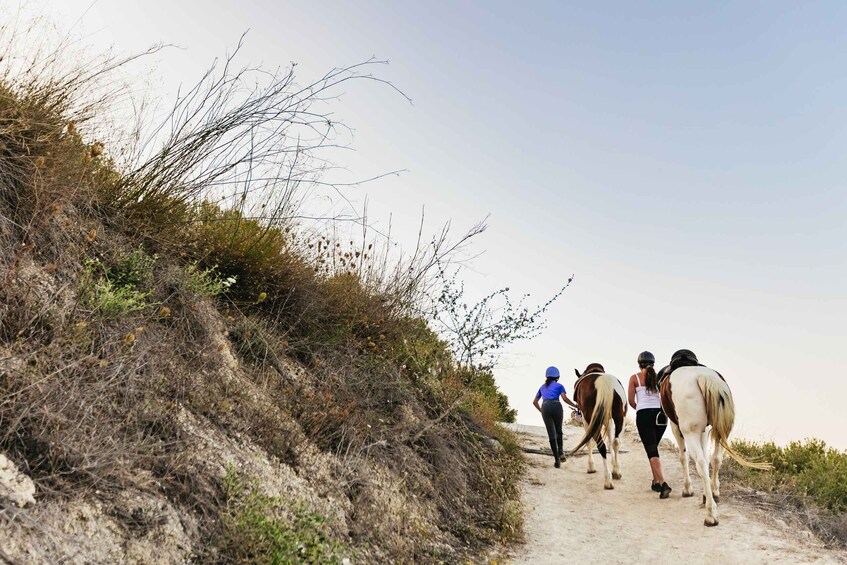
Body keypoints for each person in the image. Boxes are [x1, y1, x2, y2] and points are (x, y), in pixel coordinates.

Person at [627, 351, 672, 499]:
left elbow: (631, 401)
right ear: (653, 363)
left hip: (644, 415)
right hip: (661, 416)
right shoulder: (659, 377)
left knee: (652, 452)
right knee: (653, 449)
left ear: (639, 364)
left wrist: (640, 409)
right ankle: (655, 482)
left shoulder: (635, 378)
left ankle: (664, 483)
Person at [533, 366, 579, 468]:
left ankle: (557, 460)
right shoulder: (559, 386)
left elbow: (535, 402)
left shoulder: (542, 387)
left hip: (545, 407)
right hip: (556, 406)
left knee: (551, 435)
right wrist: (575, 405)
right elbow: (564, 398)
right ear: (557, 376)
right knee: (559, 430)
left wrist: (542, 411)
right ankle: (561, 451)